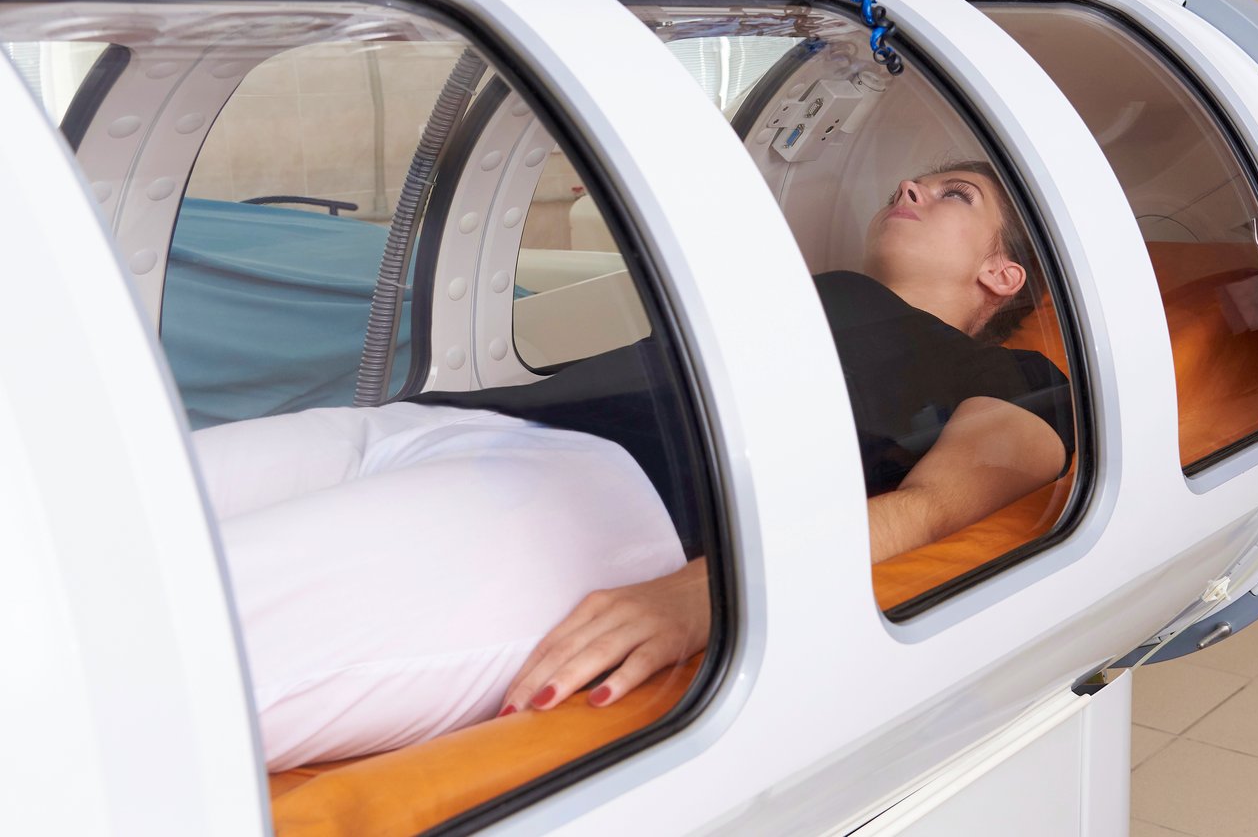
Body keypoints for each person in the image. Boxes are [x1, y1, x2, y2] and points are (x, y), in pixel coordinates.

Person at [195, 163, 1074, 770]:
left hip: (588, 500)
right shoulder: (812, 285)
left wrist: (708, 593)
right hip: (440, 423)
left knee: (176, 646)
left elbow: (929, 511)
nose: (911, 187)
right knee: (105, 511)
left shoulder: (1016, 381)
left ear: (1002, 274)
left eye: (955, 194)